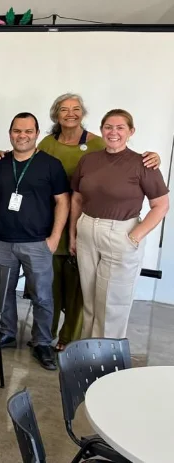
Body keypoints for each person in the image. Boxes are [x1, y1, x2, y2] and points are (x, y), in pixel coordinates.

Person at [0, 93, 160, 351]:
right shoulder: (50, 143)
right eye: (64, 109)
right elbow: (27, 158)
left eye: (75, 109)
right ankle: (44, 338)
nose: (70, 113)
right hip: (54, 225)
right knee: (56, 286)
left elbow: (150, 192)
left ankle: (71, 339)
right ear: (56, 115)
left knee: (81, 293)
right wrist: (2, 155)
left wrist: (135, 235)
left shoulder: (97, 145)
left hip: (87, 223)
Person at [0, 113, 70, 370]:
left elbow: (62, 201)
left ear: (37, 133)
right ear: (10, 133)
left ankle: (42, 343)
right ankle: (7, 333)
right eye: (17, 131)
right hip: (1, 240)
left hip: (37, 242)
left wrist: (54, 239)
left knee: (42, 296)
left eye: (28, 131)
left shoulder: (50, 165)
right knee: (3, 292)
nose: (22, 135)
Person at [70, 109, 169, 339]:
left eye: (120, 127)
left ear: (130, 131)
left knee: (112, 304)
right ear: (101, 130)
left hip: (121, 233)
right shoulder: (88, 160)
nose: (113, 132)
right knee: (90, 299)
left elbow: (161, 205)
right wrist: (74, 233)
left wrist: (134, 236)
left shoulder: (143, 163)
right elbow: (76, 198)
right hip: (87, 230)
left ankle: (105, 361)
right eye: (108, 127)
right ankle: (87, 354)